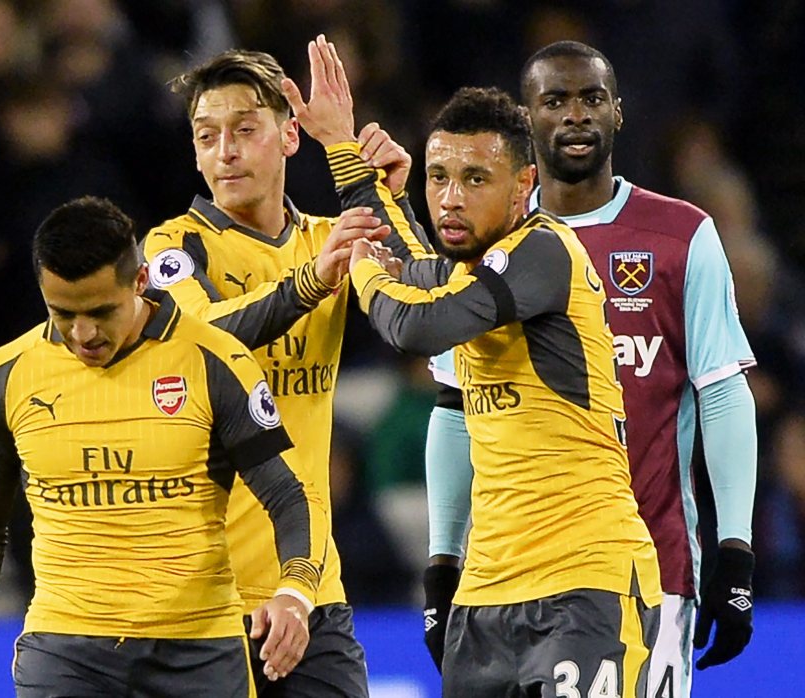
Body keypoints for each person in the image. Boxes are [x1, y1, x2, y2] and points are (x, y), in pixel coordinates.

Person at [422, 41, 759, 698]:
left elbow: (721, 395)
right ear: (527, 120)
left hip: (645, 570)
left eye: (591, 98)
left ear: (618, 114)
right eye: (555, 101)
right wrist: (442, 564)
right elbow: (455, 408)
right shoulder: (486, 242)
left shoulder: (680, 236)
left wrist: (738, 554)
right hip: (503, 582)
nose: (576, 116)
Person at [0, 196, 327, 698]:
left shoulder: (212, 360)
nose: (84, 334)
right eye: (63, 313)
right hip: (65, 651)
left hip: (199, 652)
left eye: (101, 312)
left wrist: (295, 591)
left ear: (141, 282)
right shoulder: (5, 377)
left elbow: (292, 495)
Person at [142, 36, 431, 697]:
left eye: (244, 130)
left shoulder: (323, 239)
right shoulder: (173, 246)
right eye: (207, 135)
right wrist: (310, 282)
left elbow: (423, 312)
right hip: (202, 606)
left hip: (309, 597)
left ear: (289, 136)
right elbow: (201, 343)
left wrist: (381, 191)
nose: (225, 152)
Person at [350, 86, 662, 697]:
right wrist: (353, 162)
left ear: (523, 186)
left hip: (583, 583)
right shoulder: (476, 268)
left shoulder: (544, 252)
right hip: (487, 593)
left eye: (474, 179)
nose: (449, 198)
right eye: (437, 177)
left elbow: (418, 322)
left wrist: (361, 271)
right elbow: (414, 265)